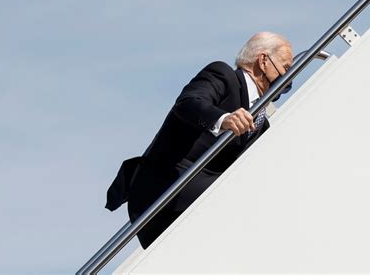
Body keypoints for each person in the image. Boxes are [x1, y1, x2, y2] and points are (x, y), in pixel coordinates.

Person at [105, 32, 293, 249]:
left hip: (205, 201)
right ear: (263, 61)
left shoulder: (262, 123)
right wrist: (223, 119)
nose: (287, 81)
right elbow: (188, 103)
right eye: (286, 69)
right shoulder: (223, 76)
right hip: (167, 190)